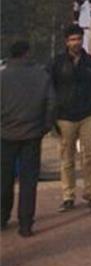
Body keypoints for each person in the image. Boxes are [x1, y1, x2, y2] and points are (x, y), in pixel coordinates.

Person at [1, 41, 55, 237]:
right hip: (33, 134)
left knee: (4, 178)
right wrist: (45, 127)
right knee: (28, 181)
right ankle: (25, 224)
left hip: (6, 134)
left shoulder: (2, 76)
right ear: (27, 53)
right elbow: (51, 104)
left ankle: (2, 216)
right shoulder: (41, 75)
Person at [51, 23, 91, 212]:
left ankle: (90, 193)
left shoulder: (90, 62)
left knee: (90, 155)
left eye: (79, 39)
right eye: (72, 40)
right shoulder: (57, 62)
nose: (76, 42)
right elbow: (50, 89)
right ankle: (68, 196)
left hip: (87, 115)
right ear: (66, 42)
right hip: (64, 116)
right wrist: (52, 117)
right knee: (67, 158)